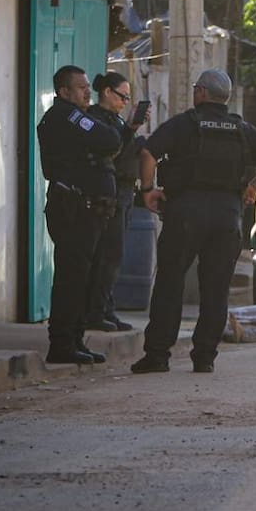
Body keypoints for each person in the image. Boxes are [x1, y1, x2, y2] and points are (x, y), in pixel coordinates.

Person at [130, 69, 256, 374]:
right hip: (226, 216)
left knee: (170, 283)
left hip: (184, 213)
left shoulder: (184, 124)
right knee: (216, 288)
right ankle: (204, 357)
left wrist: (148, 191)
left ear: (200, 92)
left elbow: (148, 153)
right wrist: (253, 186)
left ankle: (158, 355)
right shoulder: (242, 129)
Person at [36, 65, 123, 365]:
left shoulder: (74, 116)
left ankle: (73, 341)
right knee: (71, 279)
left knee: (80, 278)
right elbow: (110, 140)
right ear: (64, 92)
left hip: (86, 209)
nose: (88, 91)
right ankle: (61, 344)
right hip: (74, 209)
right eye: (81, 87)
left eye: (88, 86)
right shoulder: (68, 116)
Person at [85, 72, 149, 333]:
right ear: (108, 92)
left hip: (123, 192)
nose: (125, 102)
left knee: (113, 256)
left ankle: (105, 309)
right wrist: (131, 130)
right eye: (122, 96)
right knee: (105, 255)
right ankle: (95, 312)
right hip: (108, 192)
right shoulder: (94, 120)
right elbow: (113, 148)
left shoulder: (114, 120)